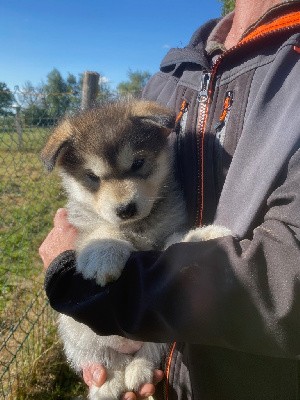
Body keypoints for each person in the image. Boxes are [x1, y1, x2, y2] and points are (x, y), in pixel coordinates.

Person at [39, 0, 300, 399]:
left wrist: (88, 292)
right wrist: (99, 358)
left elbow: (285, 277)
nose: (121, 198)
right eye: (94, 179)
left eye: (138, 167)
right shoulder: (173, 75)